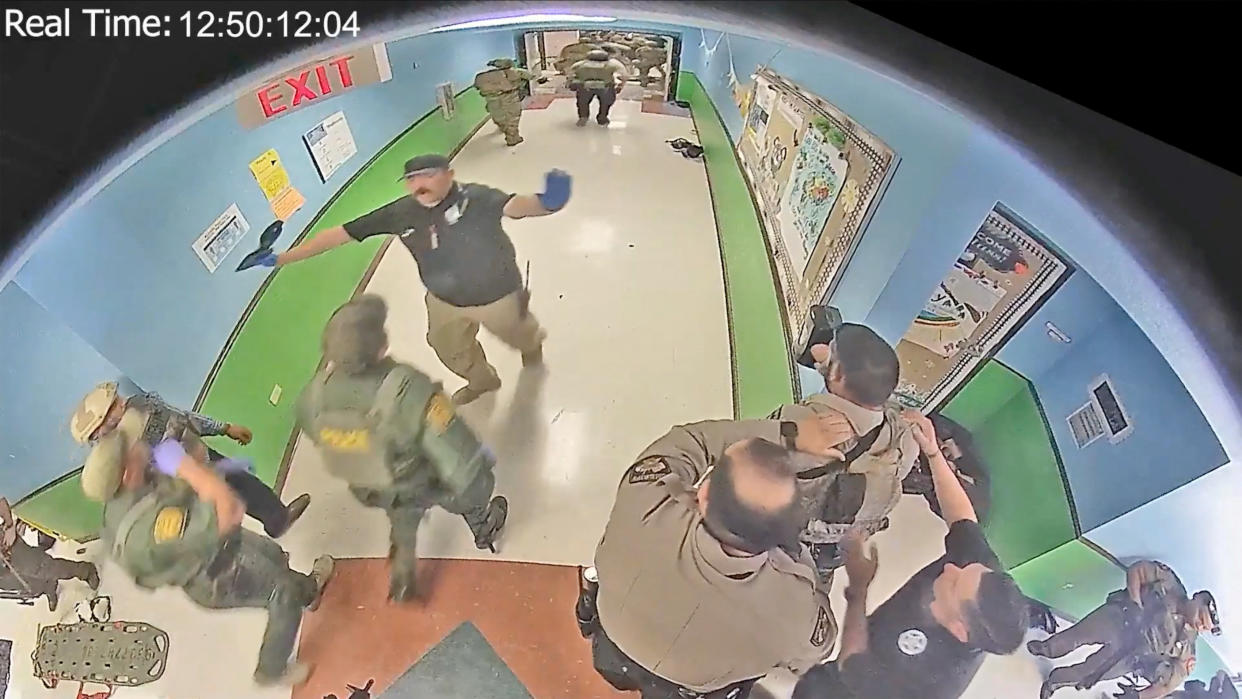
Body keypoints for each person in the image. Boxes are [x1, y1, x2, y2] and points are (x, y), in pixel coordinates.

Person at [247, 154, 572, 405]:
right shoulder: (400, 212)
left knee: (519, 331)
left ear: (449, 175)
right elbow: (341, 234)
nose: (419, 184)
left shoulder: (477, 198)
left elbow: (515, 206)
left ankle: (531, 347)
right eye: (412, 179)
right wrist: (281, 258)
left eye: (429, 175)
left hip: (498, 295)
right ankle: (482, 381)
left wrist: (547, 203)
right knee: (447, 347)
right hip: (443, 300)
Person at [584, 413, 853, 698]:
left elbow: (694, 440)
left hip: (614, 644)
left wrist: (788, 433)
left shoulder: (645, 499)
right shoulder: (795, 605)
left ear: (703, 493)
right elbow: (817, 651)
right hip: (694, 689)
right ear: (783, 535)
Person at [792, 410, 1030, 699]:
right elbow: (962, 519)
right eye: (965, 568)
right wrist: (933, 454)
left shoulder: (928, 684)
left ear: (959, 629)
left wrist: (859, 589)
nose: (951, 568)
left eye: (954, 584)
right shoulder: (979, 574)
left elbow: (851, 664)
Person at [295, 295, 508, 602]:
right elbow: (462, 464)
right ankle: (483, 528)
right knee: (465, 496)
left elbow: (324, 440)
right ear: (380, 348)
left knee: (402, 514)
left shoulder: (310, 398)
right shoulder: (404, 389)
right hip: (424, 478)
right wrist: (480, 487)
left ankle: (403, 573)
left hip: (372, 484)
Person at [83, 428, 334, 686]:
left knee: (274, 557)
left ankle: (310, 592)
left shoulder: (124, 496)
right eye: (131, 449)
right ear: (126, 473)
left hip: (220, 546)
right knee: (281, 592)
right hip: (219, 572)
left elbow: (180, 495)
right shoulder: (149, 530)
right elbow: (228, 513)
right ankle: (271, 670)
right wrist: (188, 468)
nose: (138, 445)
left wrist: (209, 467)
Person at [770, 326, 919, 577]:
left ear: (838, 374)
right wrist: (828, 364)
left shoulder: (801, 423)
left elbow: (739, 454)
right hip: (824, 548)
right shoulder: (906, 441)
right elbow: (853, 393)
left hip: (772, 535)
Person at [71, 381, 310, 538]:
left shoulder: (144, 404)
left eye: (117, 399)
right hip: (185, 496)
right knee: (226, 533)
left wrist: (224, 428)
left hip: (205, 459)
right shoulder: (113, 464)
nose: (121, 403)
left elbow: (184, 418)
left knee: (246, 485)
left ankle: (278, 520)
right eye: (112, 407)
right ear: (99, 430)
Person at [1028, 559, 1221, 699]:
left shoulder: (1188, 649)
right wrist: (1136, 601)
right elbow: (1137, 571)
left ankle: (1054, 682)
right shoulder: (1170, 583)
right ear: (1197, 598)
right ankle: (1046, 649)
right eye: (1202, 618)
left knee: (1086, 674)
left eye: (1205, 627)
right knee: (1077, 635)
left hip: (1127, 658)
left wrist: (1137, 696)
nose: (1200, 626)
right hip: (1119, 619)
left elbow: (1167, 685)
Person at [1, 497, 99, 611]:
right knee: (23, 584)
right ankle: (48, 586)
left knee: (44, 567)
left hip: (6, 547)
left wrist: (9, 525)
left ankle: (85, 571)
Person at [473, 57, 544, 147]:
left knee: (498, 116)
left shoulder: (482, 76)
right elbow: (531, 76)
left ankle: (503, 128)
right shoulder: (514, 72)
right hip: (510, 96)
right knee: (513, 117)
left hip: (491, 98)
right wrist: (540, 79)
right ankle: (512, 138)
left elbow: (476, 87)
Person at [567, 49, 629, 127]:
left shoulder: (579, 64)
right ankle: (602, 118)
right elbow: (624, 75)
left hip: (585, 85)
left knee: (582, 103)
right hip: (605, 85)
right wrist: (620, 86)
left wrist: (570, 83)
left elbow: (570, 75)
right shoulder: (613, 64)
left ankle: (583, 117)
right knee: (606, 103)